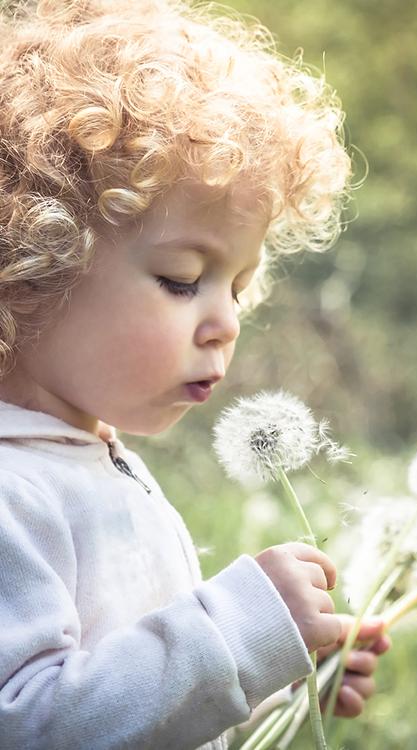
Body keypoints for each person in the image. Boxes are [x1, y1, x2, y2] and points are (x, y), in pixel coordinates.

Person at [0, 1, 389, 748]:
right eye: (183, 280)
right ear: (30, 266)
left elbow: (138, 714)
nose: (228, 322)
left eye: (239, 287)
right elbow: (34, 727)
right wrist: (239, 632)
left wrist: (285, 666)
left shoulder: (93, 465)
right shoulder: (13, 494)